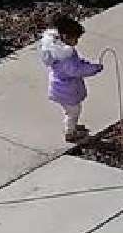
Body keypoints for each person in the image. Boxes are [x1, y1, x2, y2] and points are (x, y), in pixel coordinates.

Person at [40, 14, 103, 143]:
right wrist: (94, 69)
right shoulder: (65, 57)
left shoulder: (61, 51)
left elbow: (78, 63)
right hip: (66, 91)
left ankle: (72, 126)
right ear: (65, 37)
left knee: (70, 111)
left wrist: (87, 64)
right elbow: (76, 70)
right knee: (74, 111)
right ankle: (70, 133)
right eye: (75, 38)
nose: (77, 42)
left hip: (61, 88)